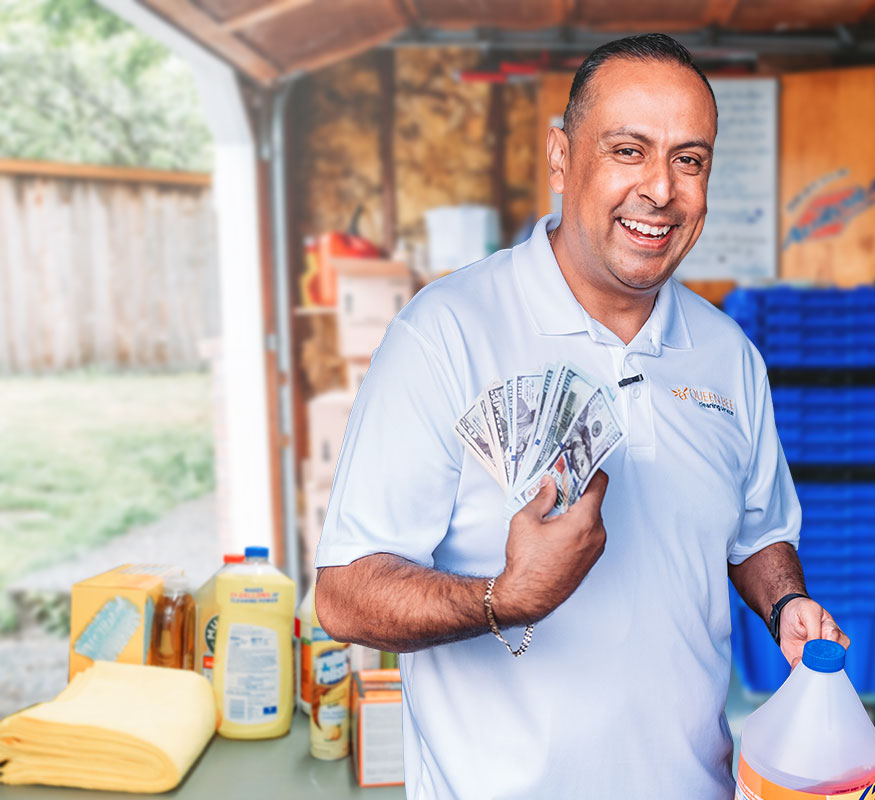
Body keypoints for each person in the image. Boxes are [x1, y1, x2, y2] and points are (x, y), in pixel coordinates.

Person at [314, 33, 848, 799]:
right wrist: (507, 597)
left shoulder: (727, 354)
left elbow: (758, 531)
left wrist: (785, 602)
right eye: (629, 150)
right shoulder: (446, 334)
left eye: (689, 159)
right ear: (561, 158)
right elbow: (343, 594)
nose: (661, 189)